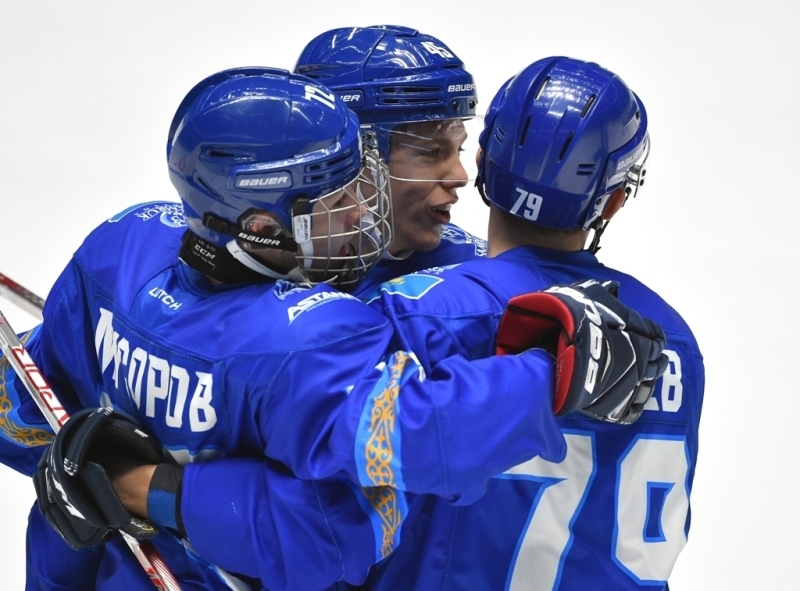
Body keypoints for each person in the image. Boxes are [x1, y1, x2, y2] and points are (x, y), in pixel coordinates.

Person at [0, 66, 665, 590]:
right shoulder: (307, 339)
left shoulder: (121, 246)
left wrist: (85, 470)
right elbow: (342, 525)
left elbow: (24, 408)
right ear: (262, 226)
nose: (359, 215)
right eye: (335, 202)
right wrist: (548, 375)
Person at [336, 56, 705, 590]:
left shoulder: (416, 311)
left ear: (482, 162)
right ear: (615, 201)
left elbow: (337, 495)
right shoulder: (673, 337)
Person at [294, 25, 488, 296]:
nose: (460, 177)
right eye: (431, 152)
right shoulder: (256, 267)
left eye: (460, 150)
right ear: (350, 158)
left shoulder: (476, 272)